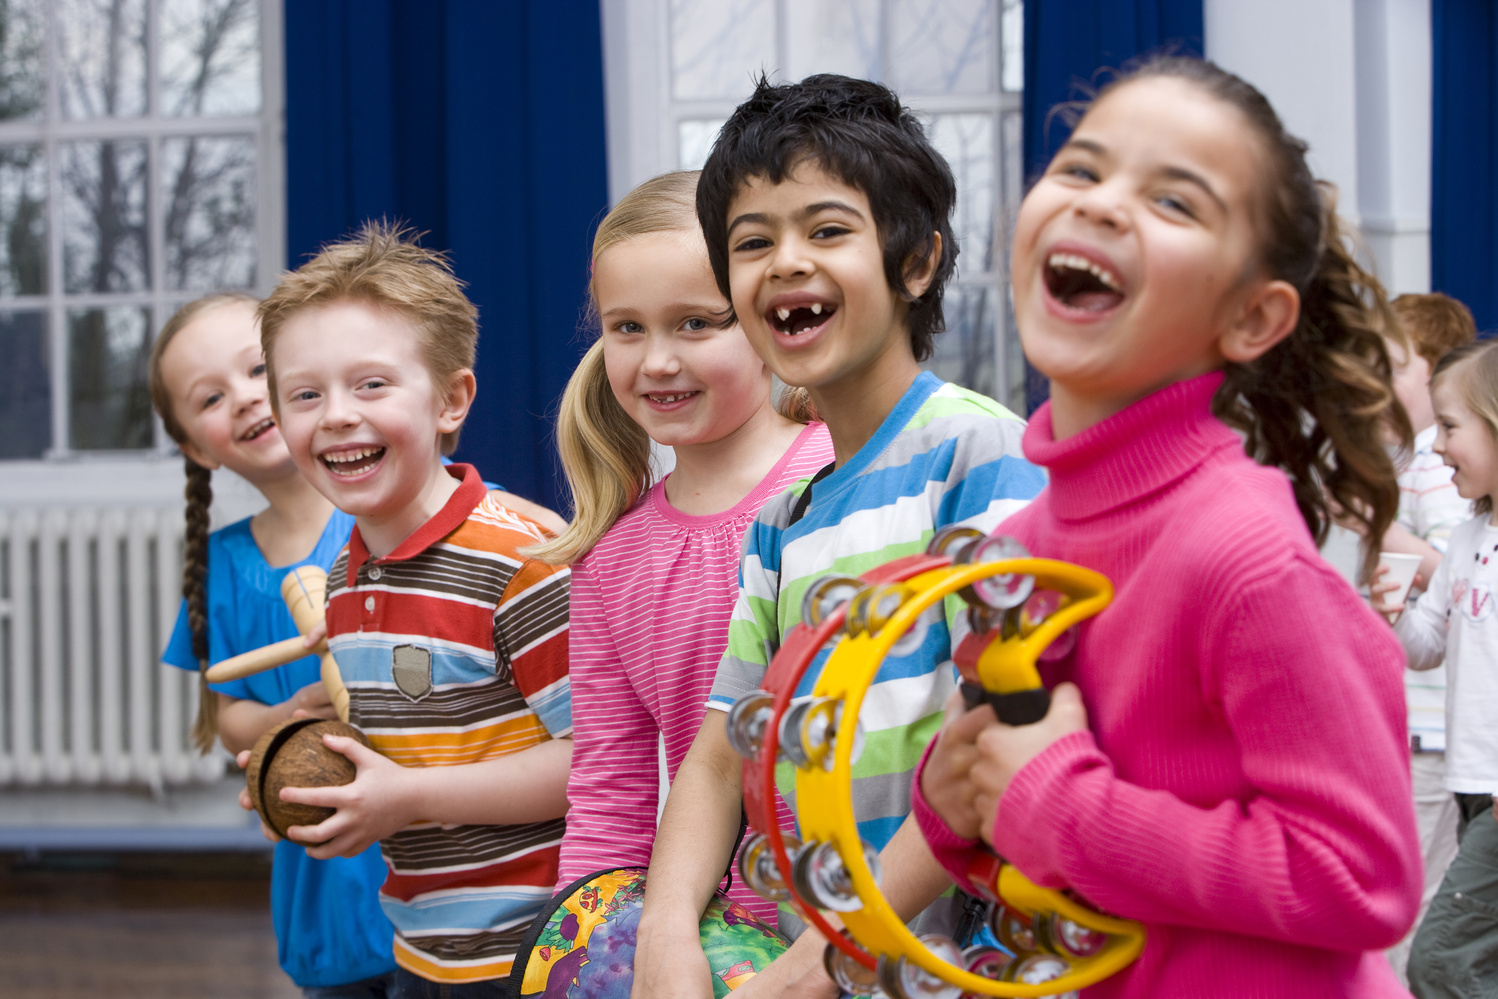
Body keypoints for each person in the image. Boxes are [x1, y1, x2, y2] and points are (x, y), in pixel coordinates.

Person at [915, 57, 1421, 997]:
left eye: (1174, 202)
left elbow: (1362, 877)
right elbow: (1051, 862)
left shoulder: (1243, 554)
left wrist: (1059, 803)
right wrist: (960, 803)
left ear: (1253, 317)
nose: (1101, 203)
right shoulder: (1016, 550)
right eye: (1081, 167)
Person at [631, 75, 1046, 999]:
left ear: (916, 262)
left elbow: (995, 741)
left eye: (826, 230)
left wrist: (821, 959)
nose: (785, 261)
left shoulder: (984, 456)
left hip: (963, 970)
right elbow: (718, 754)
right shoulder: (780, 528)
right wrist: (665, 930)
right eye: (752, 242)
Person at [253, 223, 574, 998]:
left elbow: (596, 760)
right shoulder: (346, 578)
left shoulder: (520, 560)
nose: (336, 414)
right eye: (305, 394)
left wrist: (409, 797)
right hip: (424, 949)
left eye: (371, 385)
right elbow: (418, 733)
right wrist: (309, 772)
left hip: (542, 952)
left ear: (450, 400)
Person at [532, 171, 833, 919]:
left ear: (768, 320)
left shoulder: (847, 476)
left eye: (696, 323)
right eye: (627, 328)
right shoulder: (609, 561)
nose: (657, 360)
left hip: (885, 923)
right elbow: (610, 800)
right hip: (722, 945)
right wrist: (585, 952)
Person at [150, 293, 399, 998]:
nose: (243, 398)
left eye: (259, 370)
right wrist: (289, 713)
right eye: (210, 398)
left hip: (435, 866)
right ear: (198, 448)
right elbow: (226, 714)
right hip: (325, 883)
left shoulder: (399, 517)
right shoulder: (223, 565)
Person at [1374, 339, 1498, 997]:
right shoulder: (1470, 539)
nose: (1439, 446)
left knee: (1440, 960)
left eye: (1450, 427)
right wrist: (1394, 612)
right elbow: (1428, 645)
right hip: (1471, 783)